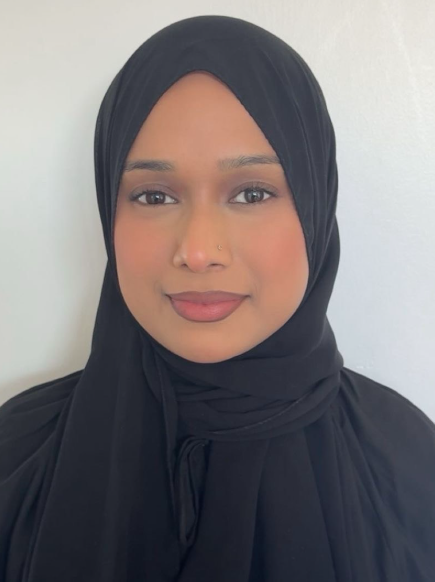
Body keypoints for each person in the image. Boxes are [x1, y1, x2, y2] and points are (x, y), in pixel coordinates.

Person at [0, 14, 434, 582]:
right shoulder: (14, 457)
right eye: (154, 196)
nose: (199, 252)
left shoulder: (410, 464)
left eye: (251, 193)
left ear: (314, 205)